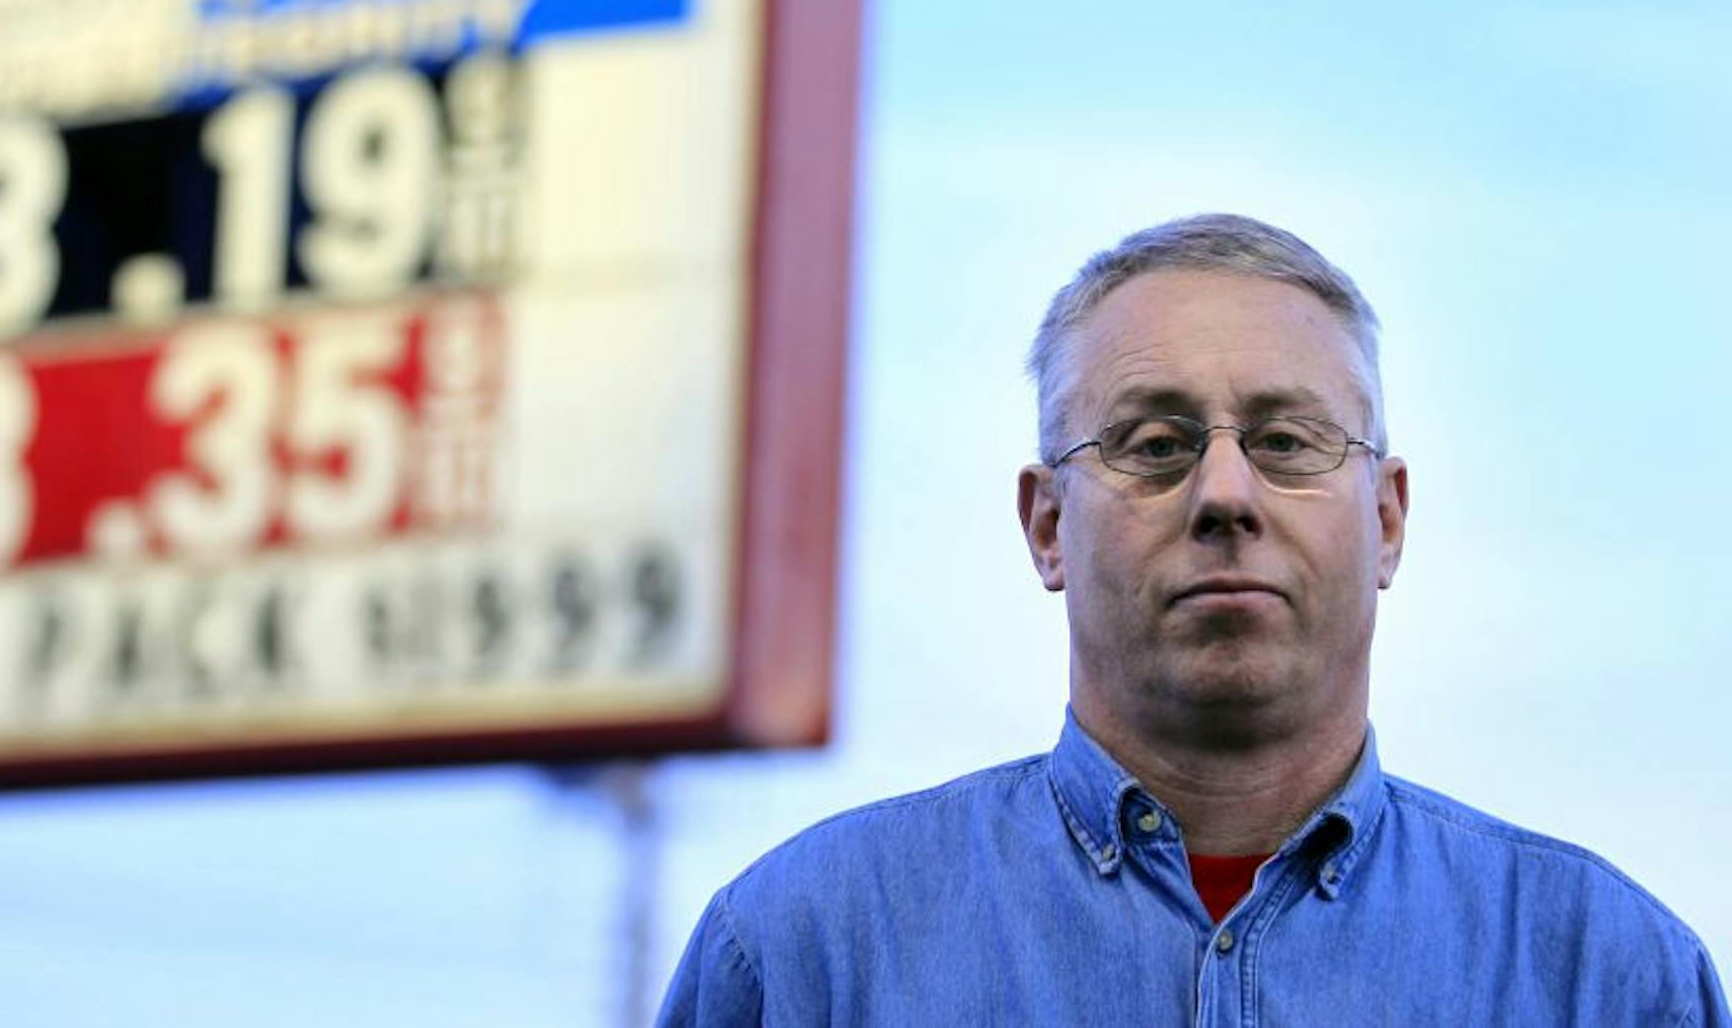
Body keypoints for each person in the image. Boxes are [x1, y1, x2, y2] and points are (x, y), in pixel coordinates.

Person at [657, 214, 1728, 1025]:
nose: (1225, 493)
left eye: (1289, 441)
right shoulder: (808, 956)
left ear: (1388, 519)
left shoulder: (1607, 977)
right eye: (1156, 443)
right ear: (1046, 525)